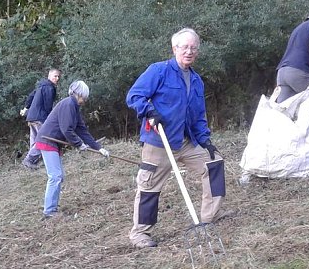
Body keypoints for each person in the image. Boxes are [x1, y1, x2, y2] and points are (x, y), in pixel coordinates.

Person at [125, 28, 228, 248]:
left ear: (197, 51)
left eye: (193, 48)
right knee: (149, 184)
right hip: (159, 141)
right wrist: (149, 111)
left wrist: (205, 140)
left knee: (214, 163)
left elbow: (199, 115)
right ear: (174, 49)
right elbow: (134, 95)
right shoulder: (159, 71)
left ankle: (210, 218)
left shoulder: (197, 81)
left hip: (187, 141)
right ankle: (140, 234)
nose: (189, 51)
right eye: (184, 47)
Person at [33, 81, 109, 218]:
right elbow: (66, 129)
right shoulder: (68, 104)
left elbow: (82, 130)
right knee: (55, 176)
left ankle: (52, 207)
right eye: (84, 97)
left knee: (59, 176)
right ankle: (49, 211)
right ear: (77, 94)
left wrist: (99, 148)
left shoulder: (74, 107)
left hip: (54, 144)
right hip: (47, 141)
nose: (85, 100)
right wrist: (79, 144)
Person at [20, 69, 62, 170]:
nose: (57, 79)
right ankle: (29, 160)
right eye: (55, 76)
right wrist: (49, 119)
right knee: (43, 140)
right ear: (49, 76)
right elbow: (48, 106)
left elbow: (30, 97)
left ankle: (31, 163)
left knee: (34, 140)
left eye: (58, 77)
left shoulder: (41, 86)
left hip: (31, 117)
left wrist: (26, 108)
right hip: (40, 118)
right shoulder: (49, 87)